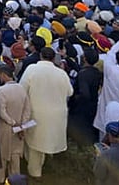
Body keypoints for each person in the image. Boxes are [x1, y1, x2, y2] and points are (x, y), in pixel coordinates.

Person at [19, 47, 72, 179]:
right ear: (53, 58)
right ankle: (38, 166)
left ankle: (35, 174)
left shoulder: (32, 69)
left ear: (40, 56)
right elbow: (70, 92)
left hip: (37, 112)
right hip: (56, 114)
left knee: (35, 144)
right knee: (44, 141)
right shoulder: (61, 73)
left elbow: (22, 89)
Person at [0, 64, 31, 182]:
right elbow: (27, 109)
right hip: (19, 129)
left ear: (4, 75)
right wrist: (22, 125)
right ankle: (15, 180)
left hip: (5, 128)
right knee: (15, 157)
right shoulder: (21, 88)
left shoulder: (1, 90)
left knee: (2, 157)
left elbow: (2, 112)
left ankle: (0, 180)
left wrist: (13, 123)